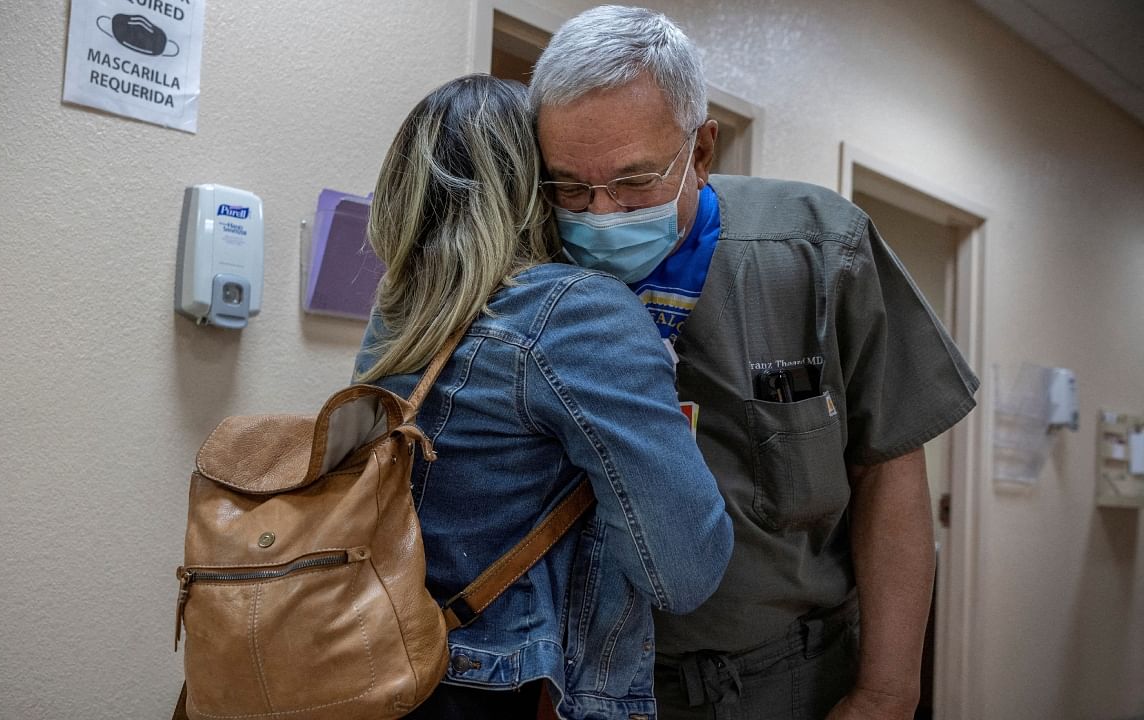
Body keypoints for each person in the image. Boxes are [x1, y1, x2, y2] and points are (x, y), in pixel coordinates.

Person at [529, 7, 979, 720]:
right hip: (587, 679)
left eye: (635, 181)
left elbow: (890, 465)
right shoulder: (538, 277)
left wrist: (888, 692)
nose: (602, 215)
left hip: (790, 678)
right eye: (572, 188)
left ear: (702, 150)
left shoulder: (819, 252)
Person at [353, 74, 734, 720]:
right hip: (516, 693)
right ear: (534, 186)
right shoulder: (573, 311)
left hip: (390, 668)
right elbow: (685, 570)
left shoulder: (395, 319)